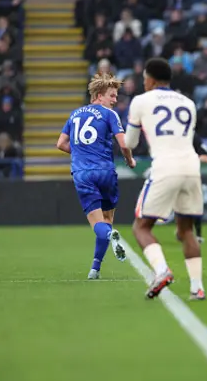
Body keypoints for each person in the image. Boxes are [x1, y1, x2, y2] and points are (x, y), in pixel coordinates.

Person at [124, 58, 205, 300]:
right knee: (186, 230)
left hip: (165, 166)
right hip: (192, 166)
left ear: (150, 79)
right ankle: (197, 287)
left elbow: (130, 143)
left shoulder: (141, 100)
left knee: (141, 226)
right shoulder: (188, 102)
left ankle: (161, 270)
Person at [56, 73, 136, 279]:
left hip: (82, 174)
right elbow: (124, 144)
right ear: (99, 96)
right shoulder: (110, 114)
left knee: (97, 223)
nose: (115, 100)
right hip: (105, 172)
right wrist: (130, 160)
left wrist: (82, 153)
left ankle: (107, 240)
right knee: (108, 218)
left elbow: (60, 144)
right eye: (112, 95)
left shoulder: (74, 115)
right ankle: (95, 268)